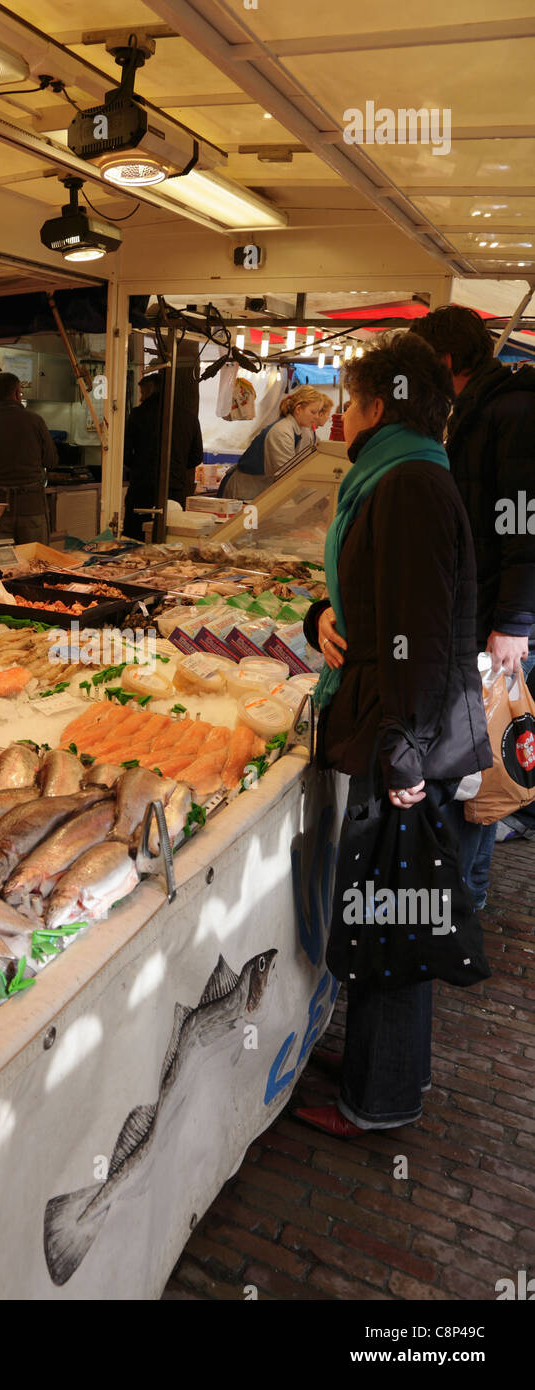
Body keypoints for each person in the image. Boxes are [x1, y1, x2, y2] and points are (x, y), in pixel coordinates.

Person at [294, 332, 491, 1137]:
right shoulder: (404, 472)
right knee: (384, 904)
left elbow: (421, 634)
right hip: (397, 726)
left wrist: (404, 753)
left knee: (397, 909)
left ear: (379, 405)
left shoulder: (406, 484)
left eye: (347, 400)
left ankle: (381, 1100)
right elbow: (380, 605)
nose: (340, 415)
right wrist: (321, 618)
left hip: (404, 737)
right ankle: (381, 1063)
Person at [409, 305, 535, 905]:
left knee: (481, 760)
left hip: (498, 626)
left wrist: (513, 621)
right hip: (479, 616)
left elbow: (524, 523)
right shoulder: (477, 410)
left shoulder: (511, 413)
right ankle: (461, 891)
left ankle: (469, 897)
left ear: (446, 360)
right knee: (468, 760)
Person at [0, 372, 55, 543]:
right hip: (31, 504)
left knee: (0, 563)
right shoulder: (36, 421)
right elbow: (51, 460)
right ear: (17, 393)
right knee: (35, 560)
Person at [122, 370, 203, 538]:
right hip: (174, 490)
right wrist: (176, 467)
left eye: (143, 393)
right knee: (170, 538)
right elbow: (196, 456)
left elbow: (125, 454)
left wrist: (139, 466)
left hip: (142, 490)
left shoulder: (138, 415)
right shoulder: (189, 417)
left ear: (152, 389)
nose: (141, 398)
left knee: (137, 540)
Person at [219, 384, 325, 501]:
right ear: (298, 409)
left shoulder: (303, 431)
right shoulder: (281, 432)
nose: (316, 417)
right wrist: (315, 500)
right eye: (313, 412)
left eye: (318, 412)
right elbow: (287, 475)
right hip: (243, 490)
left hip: (259, 491)